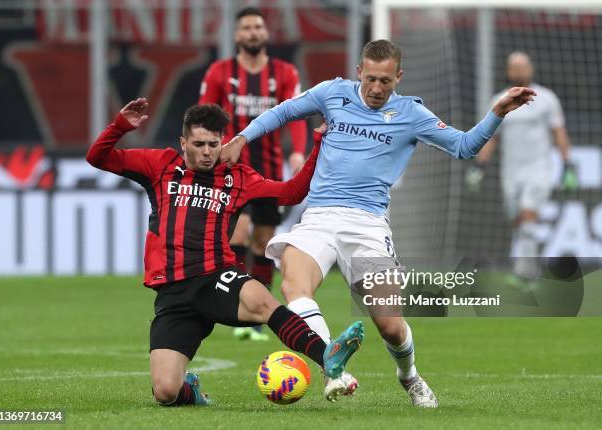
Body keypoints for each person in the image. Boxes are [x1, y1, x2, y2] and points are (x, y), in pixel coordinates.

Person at [220, 40, 536, 407]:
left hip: (367, 224)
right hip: (319, 216)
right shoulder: (332, 93)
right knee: (295, 285)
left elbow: (465, 147)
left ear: (398, 77)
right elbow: (282, 113)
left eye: (385, 81)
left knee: (389, 324)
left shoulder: (411, 114)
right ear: (359, 73)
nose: (376, 88)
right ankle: (332, 367)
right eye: (370, 79)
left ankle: (410, 376)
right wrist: (243, 138)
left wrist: (497, 111)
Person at [86, 99, 363, 406]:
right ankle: (191, 391)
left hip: (215, 277)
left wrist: (317, 145)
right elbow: (97, 157)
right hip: (174, 293)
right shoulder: (160, 165)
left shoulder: (238, 177)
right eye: (199, 144)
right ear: (183, 142)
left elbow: (292, 193)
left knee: (261, 301)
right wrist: (120, 126)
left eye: (214, 144)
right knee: (165, 392)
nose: (207, 152)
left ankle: (327, 357)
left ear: (224, 142)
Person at [199, 7, 307, 341]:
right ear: (236, 35)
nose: (253, 32)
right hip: (231, 171)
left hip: (269, 171)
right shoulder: (220, 72)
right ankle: (234, 304)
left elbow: (298, 114)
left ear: (265, 33)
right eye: (246, 27)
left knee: (262, 241)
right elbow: (204, 115)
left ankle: (256, 317)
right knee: (239, 235)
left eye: (258, 27)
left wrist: (298, 151)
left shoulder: (284, 72)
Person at [466, 51, 576, 284]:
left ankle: (526, 273)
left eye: (522, 66)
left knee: (528, 213)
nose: (519, 71)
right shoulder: (499, 100)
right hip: (511, 172)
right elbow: (491, 137)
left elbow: (559, 133)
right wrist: (479, 166)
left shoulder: (546, 98)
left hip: (539, 168)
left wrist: (568, 165)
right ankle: (526, 268)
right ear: (508, 72)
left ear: (530, 69)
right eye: (514, 67)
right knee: (519, 221)